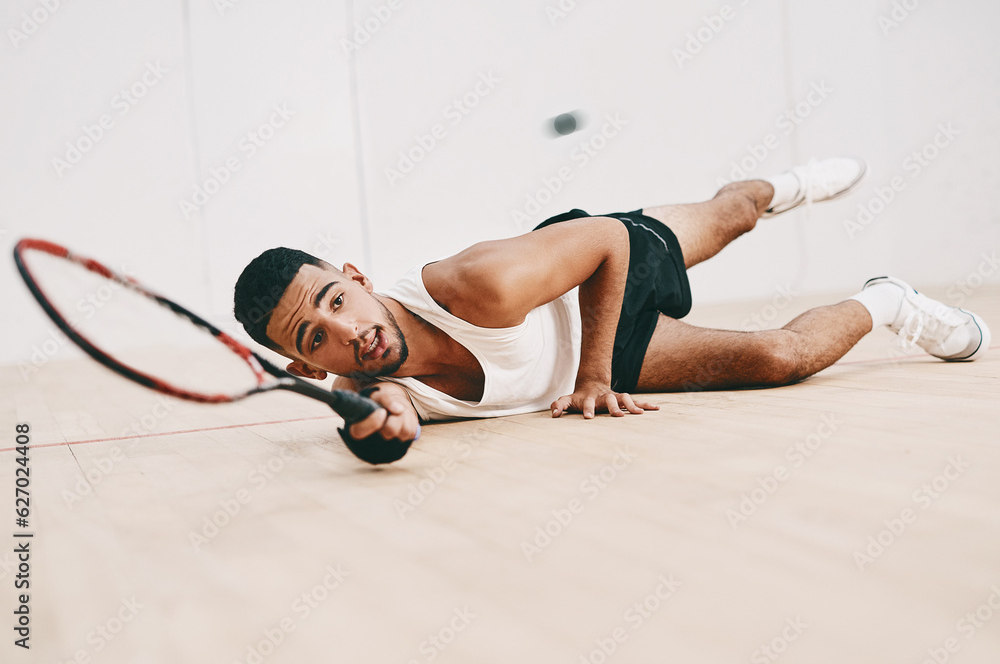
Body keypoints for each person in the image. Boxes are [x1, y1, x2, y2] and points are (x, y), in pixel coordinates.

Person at [233, 158, 990, 444]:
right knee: (776, 357)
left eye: (336, 300)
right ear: (303, 361)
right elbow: (380, 429)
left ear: (359, 279)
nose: (345, 332)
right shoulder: (361, 384)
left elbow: (603, 243)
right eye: (314, 335)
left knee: (728, 218)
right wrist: (379, 437)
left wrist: (595, 377)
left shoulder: (477, 287)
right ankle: (891, 302)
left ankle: (768, 189)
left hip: (598, 278)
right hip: (590, 361)